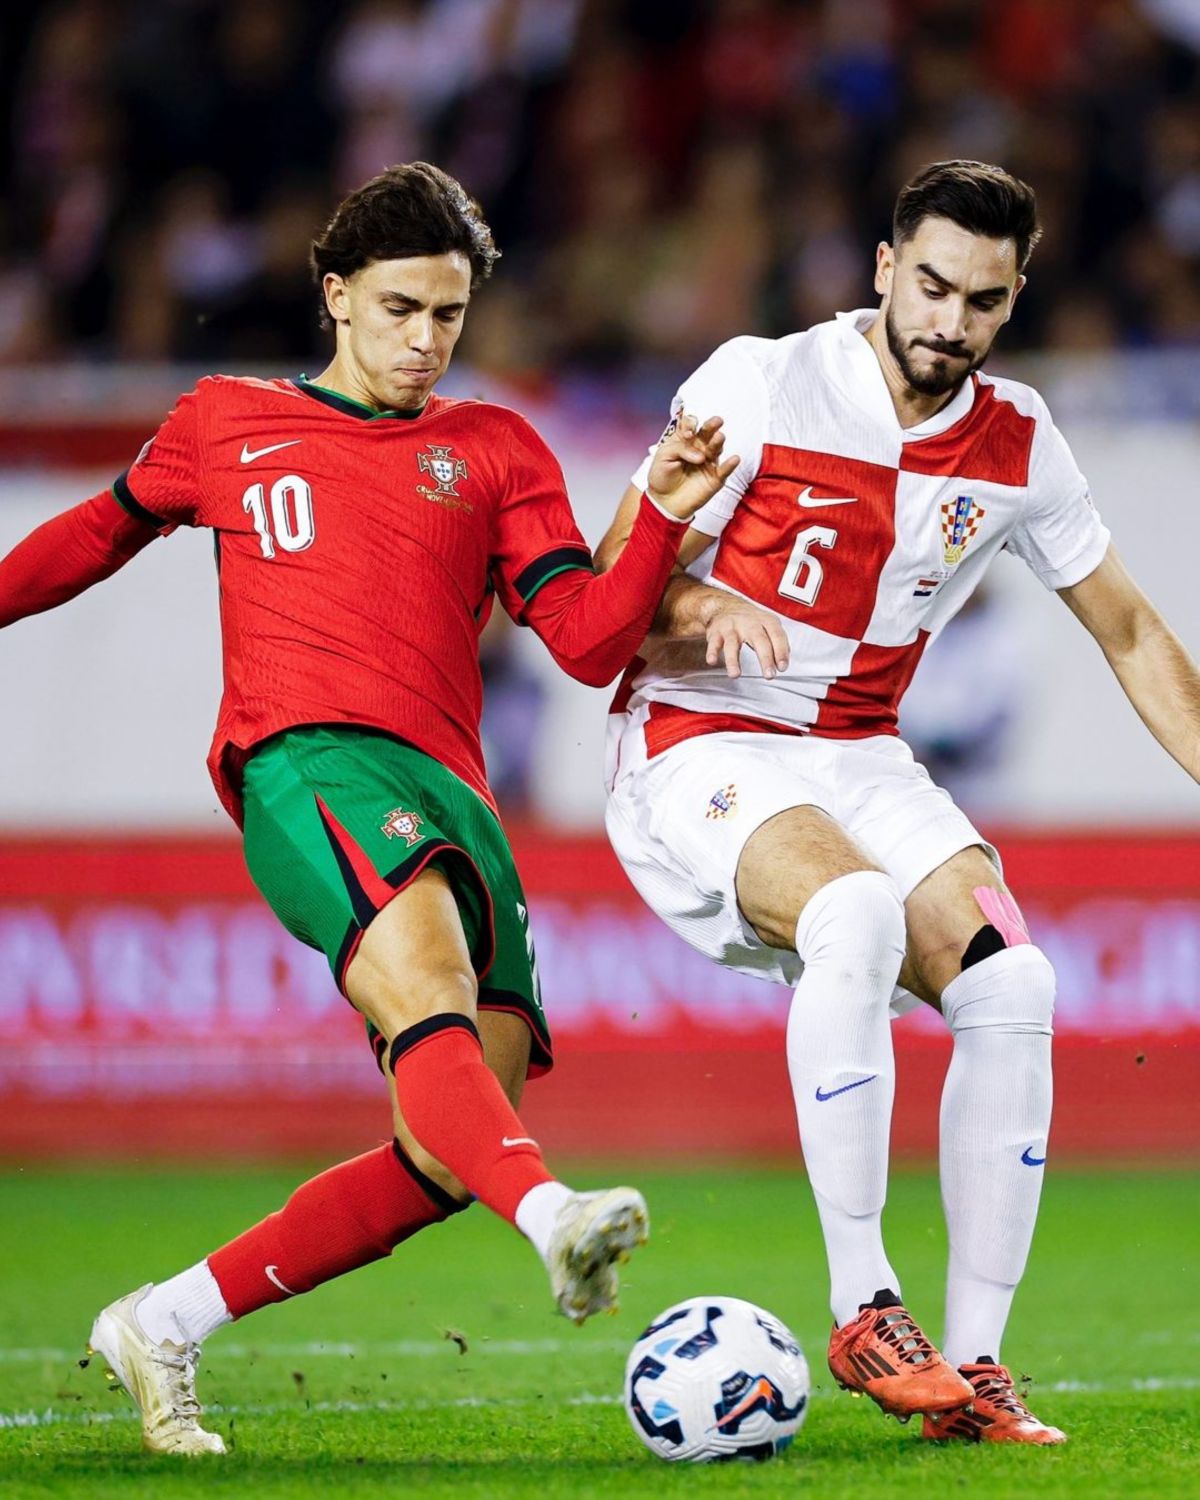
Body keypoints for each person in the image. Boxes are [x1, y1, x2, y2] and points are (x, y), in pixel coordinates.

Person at [0, 162, 737, 1456]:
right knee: (435, 1004)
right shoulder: (226, 422)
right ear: (336, 295)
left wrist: (666, 514)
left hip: (454, 793)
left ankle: (164, 1322)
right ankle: (557, 1218)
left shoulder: (497, 448)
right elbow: (95, 535)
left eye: (448, 316)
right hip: (304, 764)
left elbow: (580, 638)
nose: (424, 340)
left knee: (450, 1153)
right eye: (400, 308)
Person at [597, 159, 1199, 1446]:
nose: (950, 322)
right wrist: (705, 606)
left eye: (982, 301)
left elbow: (1136, 633)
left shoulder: (1021, 441)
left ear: (1012, 298)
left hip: (860, 752)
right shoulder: (757, 382)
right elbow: (608, 591)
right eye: (929, 286)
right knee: (858, 913)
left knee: (1014, 986)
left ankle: (973, 1370)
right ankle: (864, 1303)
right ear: (882, 269)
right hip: (699, 737)